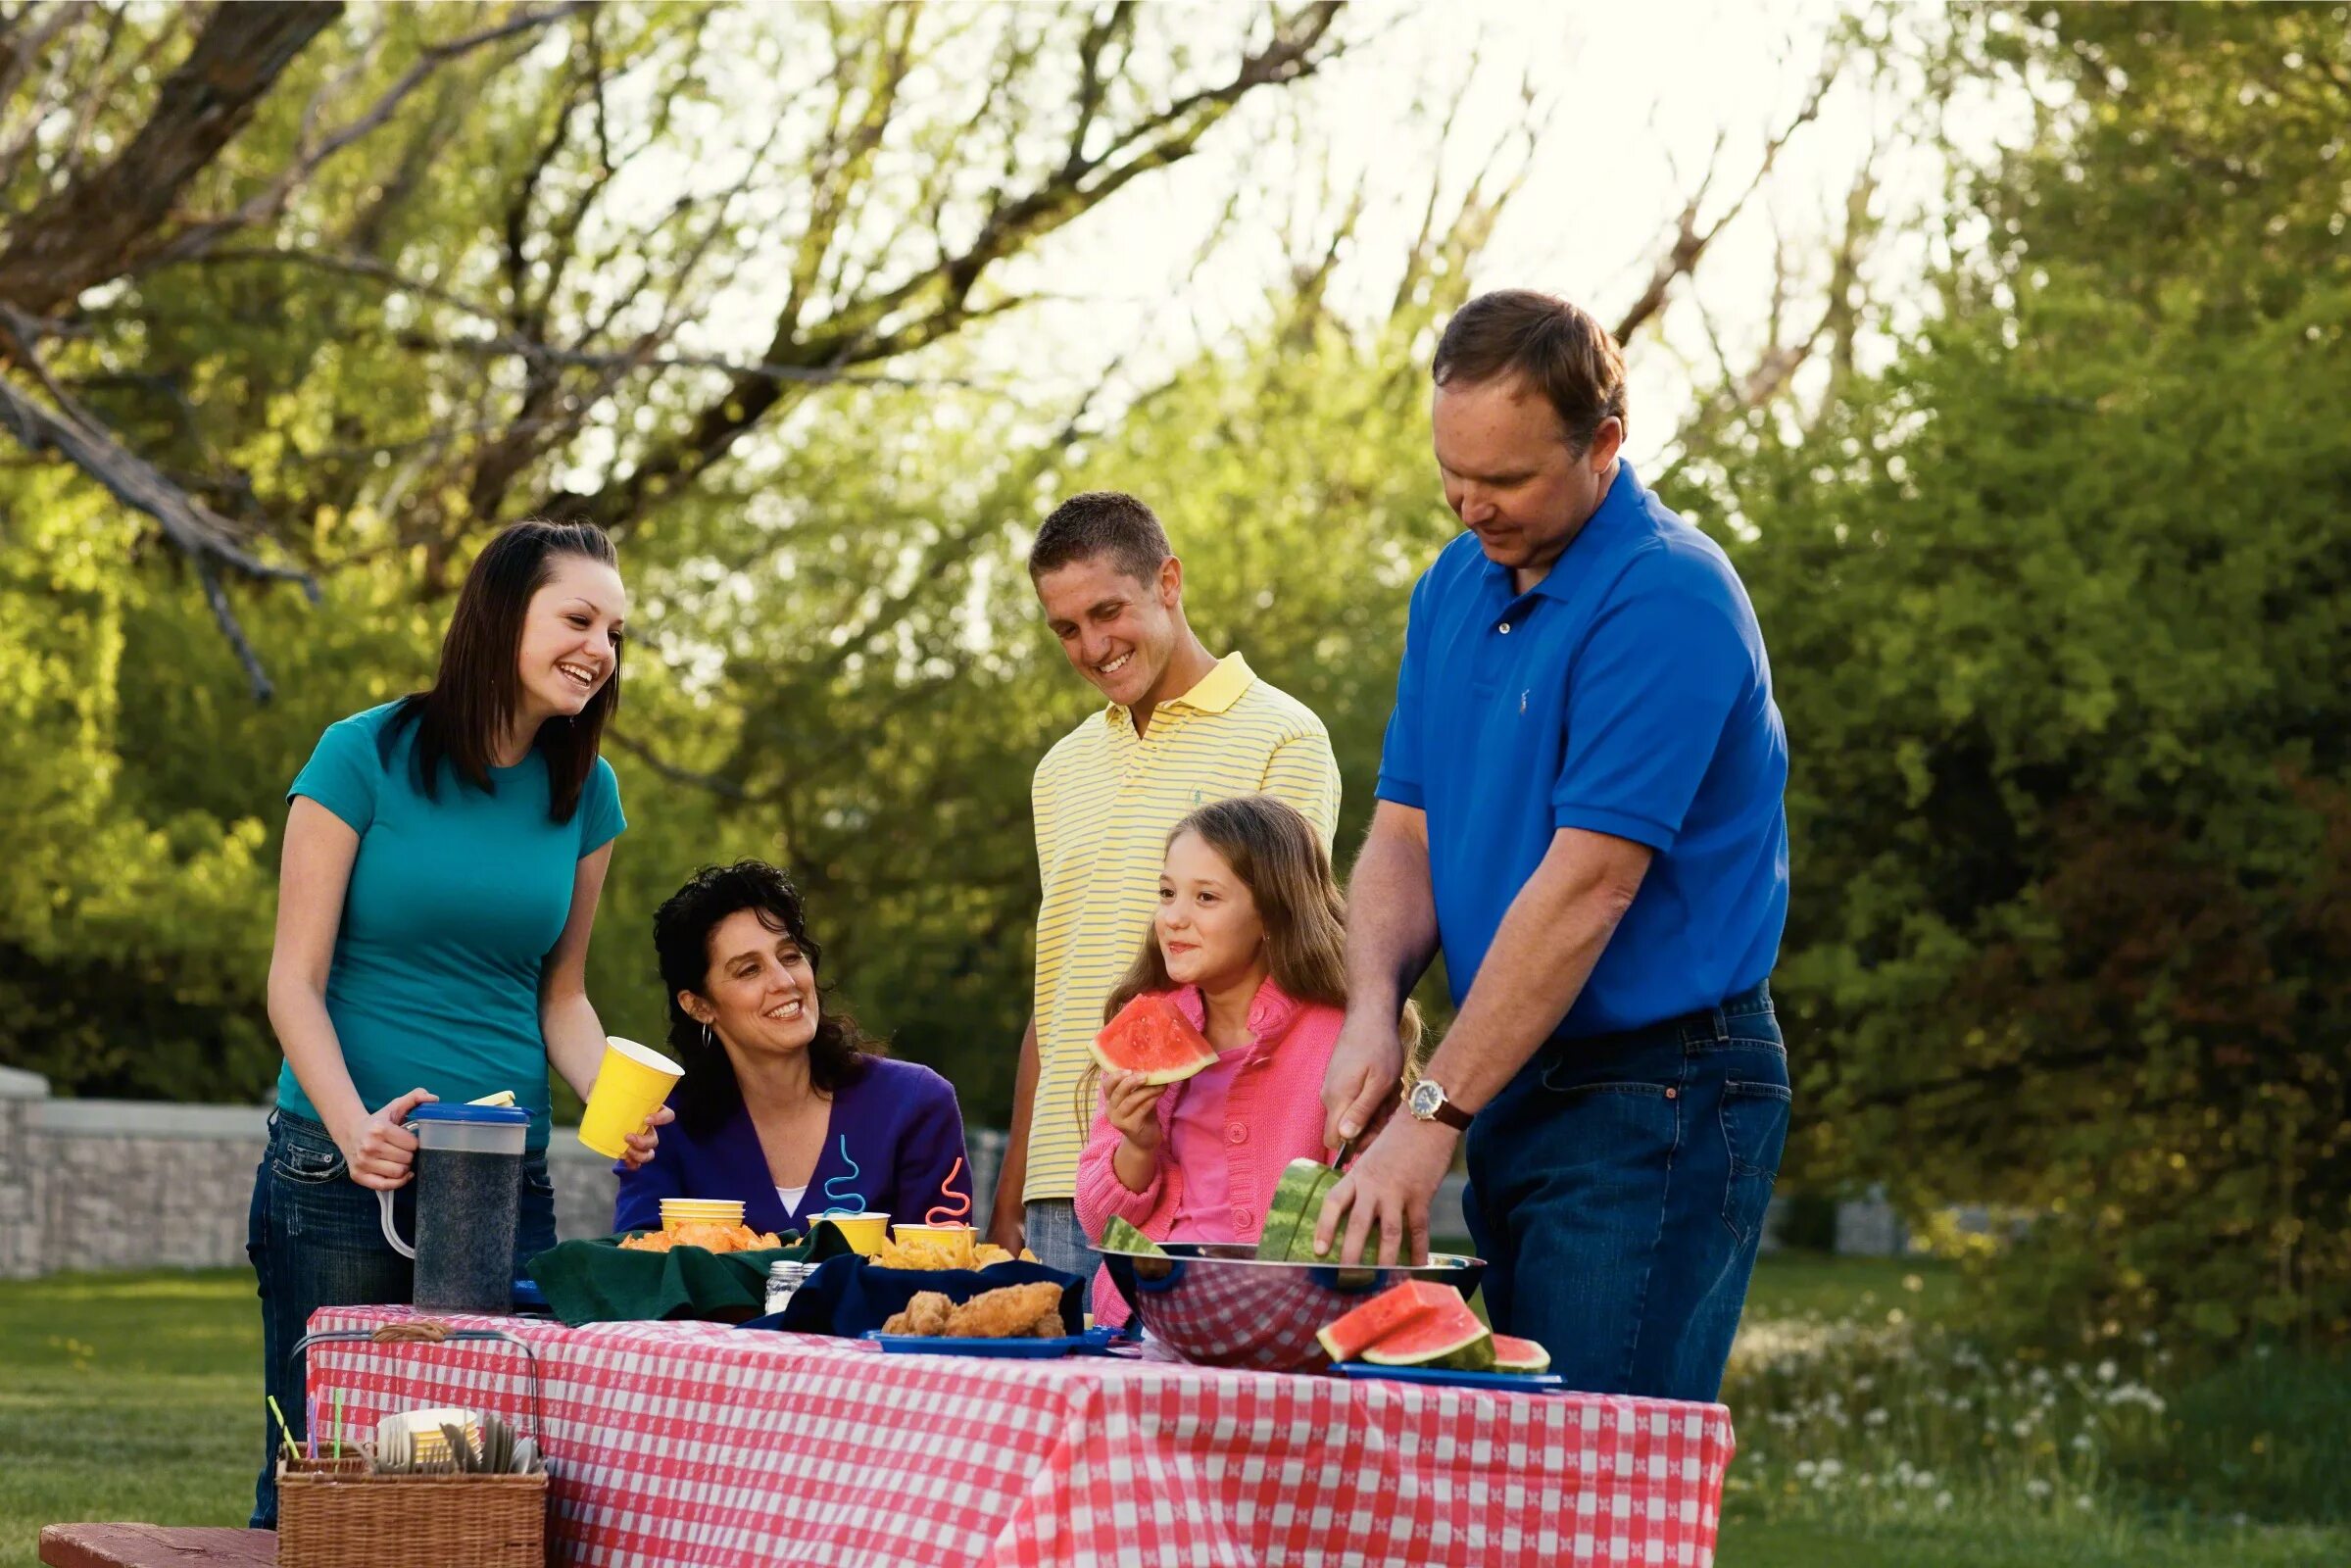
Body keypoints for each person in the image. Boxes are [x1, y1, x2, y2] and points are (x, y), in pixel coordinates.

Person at [1314, 289, 1792, 1403]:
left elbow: (1587, 889)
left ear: (1605, 444)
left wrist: (1430, 1114)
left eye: (1508, 478)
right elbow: (1403, 830)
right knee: (1508, 1470)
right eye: (1451, 468)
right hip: (1512, 1075)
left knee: (1590, 1471)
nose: (1470, 502)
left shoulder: (1665, 594)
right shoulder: (1450, 584)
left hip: (1658, 1091)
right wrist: (1371, 1007)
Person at [251, 518, 665, 1526]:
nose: (599, 650)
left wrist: (613, 1097)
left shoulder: (585, 789)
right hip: (342, 1165)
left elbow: (559, 994)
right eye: (577, 618)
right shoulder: (364, 754)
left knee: (482, 1477)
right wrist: (357, 1130)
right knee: (325, 1477)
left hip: (498, 1175)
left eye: (614, 631)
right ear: (499, 614)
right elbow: (292, 982)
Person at [990, 491, 1343, 1283]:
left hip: (1200, 1171)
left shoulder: (1284, 735)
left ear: (1169, 583)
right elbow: (1056, 990)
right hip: (1064, 1180)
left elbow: (1285, 960)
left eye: (1107, 611)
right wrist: (1013, 1180)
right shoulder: (1059, 771)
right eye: (1066, 629)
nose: (1092, 646)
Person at [1074, 796, 1417, 1328]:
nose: (1173, 918)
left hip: (1290, 1318)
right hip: (1146, 1318)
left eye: (1206, 897)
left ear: (1269, 915)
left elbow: (1367, 1218)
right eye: (1167, 894)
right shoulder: (1150, 1022)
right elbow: (1100, 1224)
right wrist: (1137, 1144)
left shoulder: (1341, 1039)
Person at [613, 861, 970, 1237]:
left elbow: (940, 1271)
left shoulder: (916, 1104)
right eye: (749, 970)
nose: (784, 981)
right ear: (699, 1005)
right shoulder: (663, 1126)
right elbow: (640, 1272)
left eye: (789, 956)